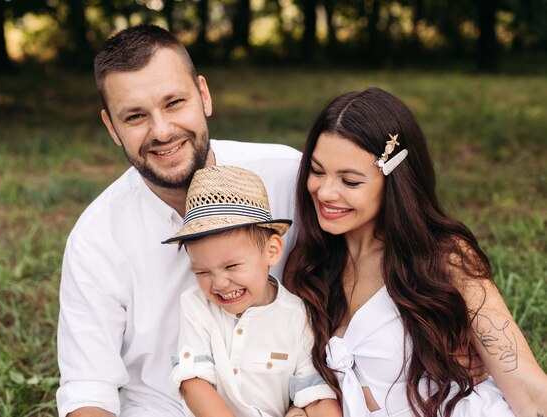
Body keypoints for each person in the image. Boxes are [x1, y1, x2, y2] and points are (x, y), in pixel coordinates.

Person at [55, 25, 301, 417]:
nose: (162, 131)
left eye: (174, 103)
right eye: (135, 116)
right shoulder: (96, 238)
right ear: (111, 128)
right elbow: (88, 387)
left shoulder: (289, 177)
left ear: (203, 95)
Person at [284, 87, 547, 417]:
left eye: (350, 181)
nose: (325, 192)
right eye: (317, 171)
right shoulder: (308, 266)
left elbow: (528, 387)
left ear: (394, 181)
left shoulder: (443, 259)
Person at [163, 165, 342, 417]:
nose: (219, 283)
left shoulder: (297, 315)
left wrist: (305, 411)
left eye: (232, 266)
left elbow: (315, 395)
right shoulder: (196, 305)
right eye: (202, 272)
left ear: (272, 251)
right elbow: (194, 383)